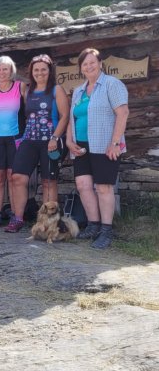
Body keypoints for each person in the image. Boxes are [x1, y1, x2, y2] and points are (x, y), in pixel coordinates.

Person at [66, 47, 129, 249]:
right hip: (81, 146)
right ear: (81, 68)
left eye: (92, 62)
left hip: (104, 144)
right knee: (84, 186)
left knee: (103, 187)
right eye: (85, 64)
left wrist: (115, 143)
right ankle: (93, 226)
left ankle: (106, 230)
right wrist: (69, 141)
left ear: (100, 64)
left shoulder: (112, 84)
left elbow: (123, 113)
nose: (89, 66)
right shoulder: (78, 91)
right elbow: (71, 119)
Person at [8, 54, 69, 233]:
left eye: (44, 69)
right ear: (31, 72)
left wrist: (55, 138)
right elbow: (28, 117)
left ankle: (49, 223)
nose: (40, 72)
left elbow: (65, 116)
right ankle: (17, 218)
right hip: (30, 140)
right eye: (36, 70)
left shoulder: (57, 90)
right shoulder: (29, 92)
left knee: (49, 181)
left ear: (50, 71)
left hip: (51, 141)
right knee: (18, 177)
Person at [0, 56, 27, 228]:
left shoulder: (20, 87)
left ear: (12, 71)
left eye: (5, 69)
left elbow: (28, 110)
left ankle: (14, 212)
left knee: (13, 177)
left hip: (15, 137)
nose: (2, 72)